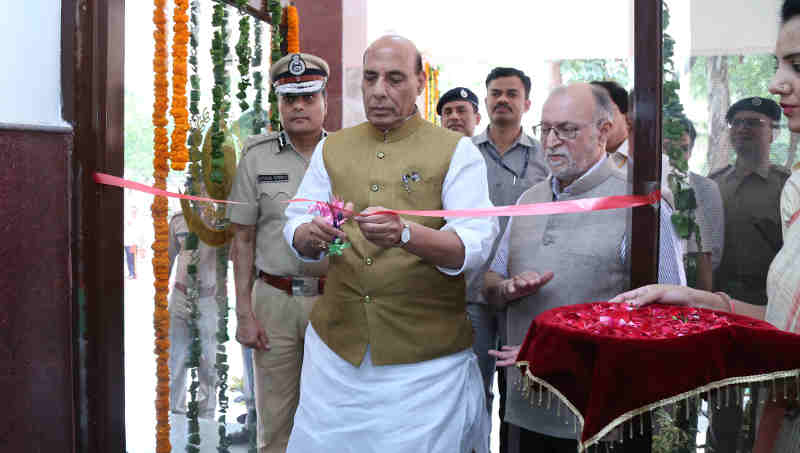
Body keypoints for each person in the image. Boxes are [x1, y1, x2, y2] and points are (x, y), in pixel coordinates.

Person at [283, 35, 497, 453]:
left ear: (420, 83)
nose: (379, 90)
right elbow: (296, 218)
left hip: (423, 366)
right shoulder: (333, 147)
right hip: (336, 357)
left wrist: (408, 235)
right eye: (371, 78)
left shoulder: (457, 152)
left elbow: (475, 245)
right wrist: (306, 237)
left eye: (395, 78)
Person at [612, 2, 800, 451]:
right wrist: (695, 298)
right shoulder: (793, 189)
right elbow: (786, 324)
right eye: (778, 64)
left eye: (797, 65)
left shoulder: (780, 186)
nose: (776, 82)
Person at [483, 83, 684, 452]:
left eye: (568, 129)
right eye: (545, 130)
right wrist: (506, 289)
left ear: (604, 131)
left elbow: (670, 316)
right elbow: (491, 282)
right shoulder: (530, 200)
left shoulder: (640, 205)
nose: (552, 141)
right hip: (525, 410)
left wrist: (575, 349)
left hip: (602, 416)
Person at [229, 52, 331, 453]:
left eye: (308, 97)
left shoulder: (345, 155)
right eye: (290, 99)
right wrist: (243, 313)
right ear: (279, 103)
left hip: (334, 299)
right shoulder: (257, 156)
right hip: (274, 300)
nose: (299, 107)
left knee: (332, 413)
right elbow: (242, 239)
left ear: (326, 101)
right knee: (276, 422)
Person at [466, 68, 550, 452]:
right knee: (471, 389)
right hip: (472, 292)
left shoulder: (544, 157)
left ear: (526, 103)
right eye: (495, 93)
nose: (502, 99)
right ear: (485, 102)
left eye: (511, 94)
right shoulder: (463, 155)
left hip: (526, 292)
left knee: (521, 391)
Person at [709, 96, 790, 306]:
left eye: (754, 123)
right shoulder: (714, 184)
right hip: (718, 299)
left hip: (770, 303)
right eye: (736, 122)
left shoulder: (788, 187)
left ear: (774, 133)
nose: (742, 128)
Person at [167, 208, 219, 420]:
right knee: (176, 360)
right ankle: (176, 415)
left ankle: (206, 417)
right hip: (180, 297)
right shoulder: (178, 219)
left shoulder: (221, 220)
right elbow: (166, 258)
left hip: (208, 299)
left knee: (209, 362)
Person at [595, 80, 677, 208]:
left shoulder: (659, 165)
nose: (596, 120)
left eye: (603, 110)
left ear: (626, 116)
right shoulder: (578, 164)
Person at [665, 115, 724, 291]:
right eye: (667, 148)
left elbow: (711, 253)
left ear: (690, 152)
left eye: (683, 149)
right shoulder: (636, 183)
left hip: (690, 286)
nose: (674, 156)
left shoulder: (705, 188)